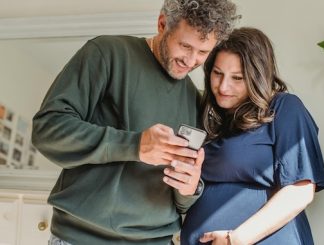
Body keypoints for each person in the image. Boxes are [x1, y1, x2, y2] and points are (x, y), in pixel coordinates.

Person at [31, 1, 239, 245]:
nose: (191, 60)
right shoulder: (106, 53)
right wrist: (135, 145)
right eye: (185, 46)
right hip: (79, 238)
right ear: (162, 24)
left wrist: (189, 187)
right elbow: (47, 129)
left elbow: (180, 201)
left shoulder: (196, 101)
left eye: (203, 53)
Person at [181, 27, 324, 245]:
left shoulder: (284, 108)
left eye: (237, 78)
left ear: (257, 77)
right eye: (217, 73)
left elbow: (301, 190)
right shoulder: (205, 116)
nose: (223, 86)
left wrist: (236, 239)